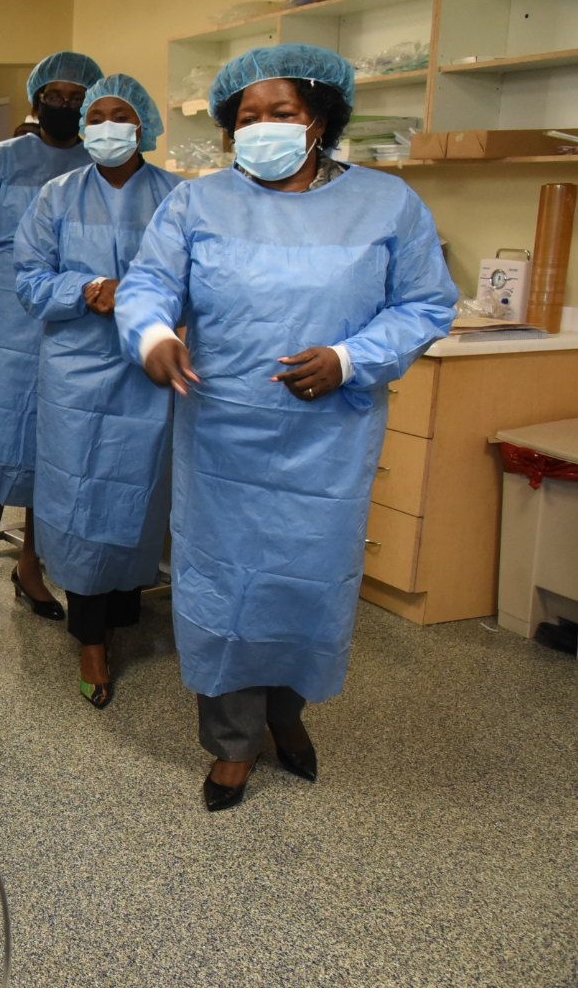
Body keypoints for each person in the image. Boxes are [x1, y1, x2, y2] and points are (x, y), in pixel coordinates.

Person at [114, 44, 457, 811]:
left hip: (328, 439)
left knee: (306, 584)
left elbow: (426, 303)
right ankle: (232, 743)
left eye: (282, 112)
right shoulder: (198, 204)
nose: (262, 127)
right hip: (224, 433)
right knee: (225, 587)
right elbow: (148, 284)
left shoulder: (388, 204)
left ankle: (286, 712)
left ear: (320, 120)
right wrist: (153, 335)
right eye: (247, 116)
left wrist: (350, 358)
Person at [14, 73, 181, 710]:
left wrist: (148, 305)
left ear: (144, 126)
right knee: (80, 494)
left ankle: (123, 615)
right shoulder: (57, 196)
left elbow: (199, 277)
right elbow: (28, 279)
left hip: (148, 368)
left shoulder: (177, 197)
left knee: (138, 491)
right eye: (97, 117)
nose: (107, 127)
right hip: (76, 371)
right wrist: (86, 289)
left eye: (121, 116)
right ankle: (90, 637)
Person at [0, 50, 102, 623]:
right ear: (37, 101)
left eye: (77, 98)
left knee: (49, 439)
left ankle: (30, 563)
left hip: (68, 312)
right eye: (55, 96)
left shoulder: (98, 165)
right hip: (2, 310)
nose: (65, 105)